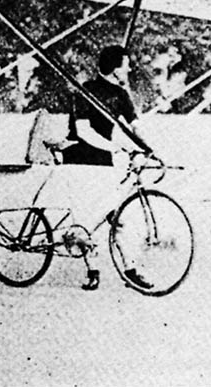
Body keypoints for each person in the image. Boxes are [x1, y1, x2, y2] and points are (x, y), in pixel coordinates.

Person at [62, 45, 151, 291]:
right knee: (86, 222)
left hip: (103, 163)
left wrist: (147, 149)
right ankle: (93, 271)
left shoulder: (120, 94)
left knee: (117, 218)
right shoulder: (85, 91)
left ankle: (131, 271)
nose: (129, 70)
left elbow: (135, 126)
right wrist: (115, 148)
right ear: (115, 69)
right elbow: (83, 131)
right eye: (126, 66)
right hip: (80, 161)